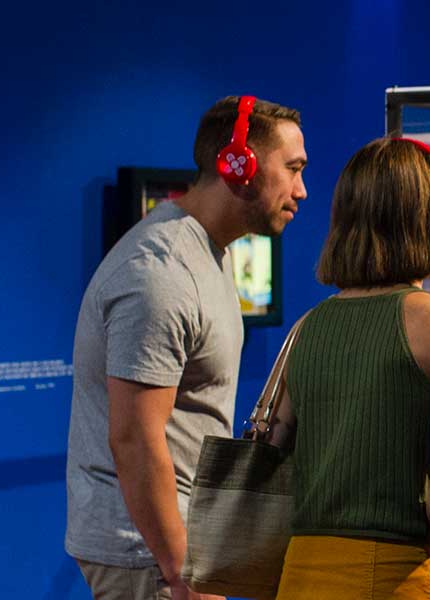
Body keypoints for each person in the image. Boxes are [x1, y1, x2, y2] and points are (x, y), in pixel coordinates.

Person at [66, 95, 308, 600]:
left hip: (172, 548)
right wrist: (181, 571)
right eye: (291, 169)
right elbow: (134, 440)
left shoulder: (206, 255)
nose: (301, 190)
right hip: (149, 556)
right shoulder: (161, 275)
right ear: (237, 166)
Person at [268, 137, 430, 599]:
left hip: (298, 575)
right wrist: (428, 545)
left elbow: (275, 455)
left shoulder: (306, 327)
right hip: (391, 576)